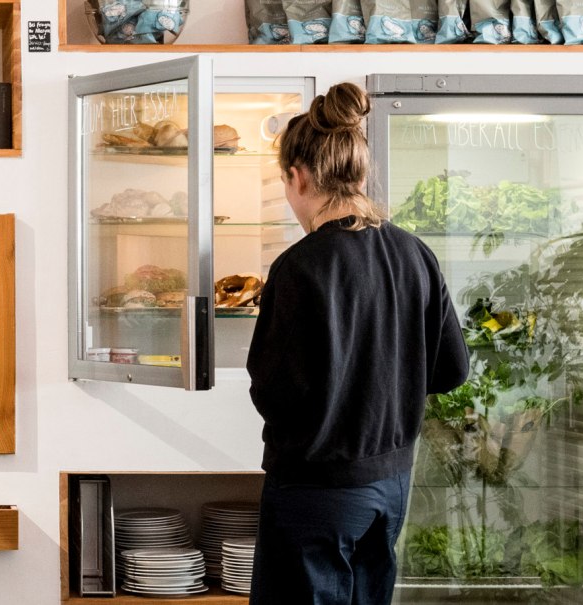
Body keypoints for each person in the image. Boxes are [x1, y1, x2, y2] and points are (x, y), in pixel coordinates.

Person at [246, 83, 470, 605]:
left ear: (297, 177)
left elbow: (274, 395)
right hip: (391, 485)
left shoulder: (298, 267)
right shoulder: (415, 254)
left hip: (313, 492)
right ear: (360, 174)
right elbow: (451, 371)